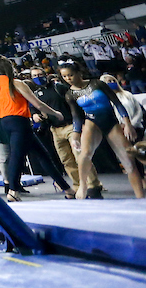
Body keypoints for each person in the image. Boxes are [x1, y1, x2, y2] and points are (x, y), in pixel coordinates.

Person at [58, 58, 144, 199]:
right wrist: (75, 133)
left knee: (129, 163)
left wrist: (127, 124)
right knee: (84, 154)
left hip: (110, 122)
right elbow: (77, 117)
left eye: (71, 75)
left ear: (79, 73)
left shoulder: (97, 84)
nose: (68, 79)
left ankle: (141, 198)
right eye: (65, 76)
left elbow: (117, 103)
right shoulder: (70, 94)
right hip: (91, 122)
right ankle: (84, 186)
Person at [0, 58, 70, 201]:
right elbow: (37, 103)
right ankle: (13, 191)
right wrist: (55, 113)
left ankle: (67, 188)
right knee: (17, 157)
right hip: (19, 121)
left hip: (5, 122)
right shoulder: (16, 83)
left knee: (42, 155)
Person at [30, 66, 102, 197]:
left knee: (80, 156)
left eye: (40, 74)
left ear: (46, 74)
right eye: (34, 76)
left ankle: (93, 185)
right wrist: (35, 115)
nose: (38, 77)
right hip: (55, 129)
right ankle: (77, 185)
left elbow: (75, 102)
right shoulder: (36, 94)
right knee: (66, 160)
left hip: (70, 126)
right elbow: (34, 107)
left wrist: (78, 126)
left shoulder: (59, 88)